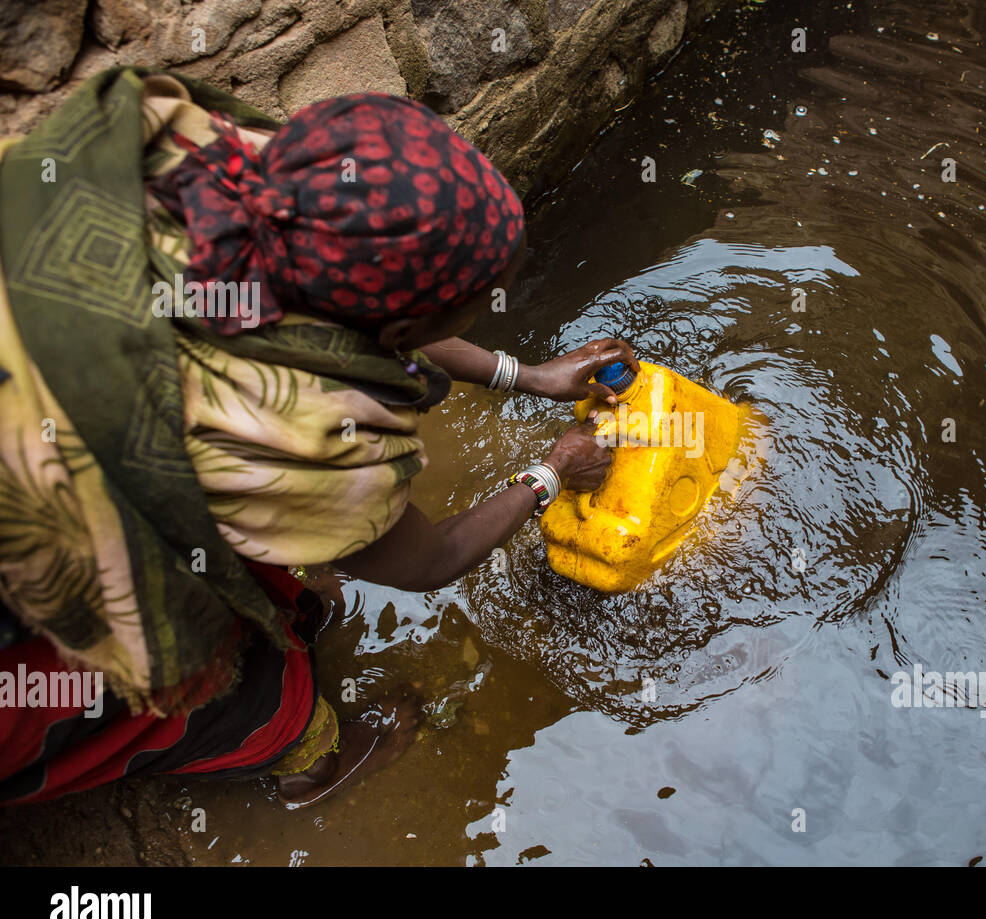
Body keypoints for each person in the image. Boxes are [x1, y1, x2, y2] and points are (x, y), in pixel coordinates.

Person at [0, 67, 637, 809]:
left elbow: (350, 316)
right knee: (232, 682)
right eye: (460, 313)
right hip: (26, 587)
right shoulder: (312, 449)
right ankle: (312, 770)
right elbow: (432, 561)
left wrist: (525, 375)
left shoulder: (197, 155)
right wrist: (554, 471)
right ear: (400, 330)